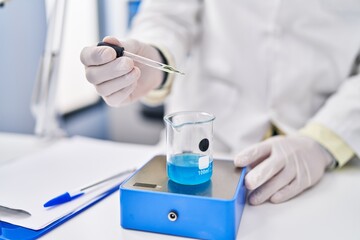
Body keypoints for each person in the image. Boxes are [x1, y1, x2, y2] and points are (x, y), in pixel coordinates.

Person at [80, 0, 360, 205]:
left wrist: (323, 142)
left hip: (319, 149)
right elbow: (166, 16)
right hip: (210, 141)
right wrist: (152, 61)